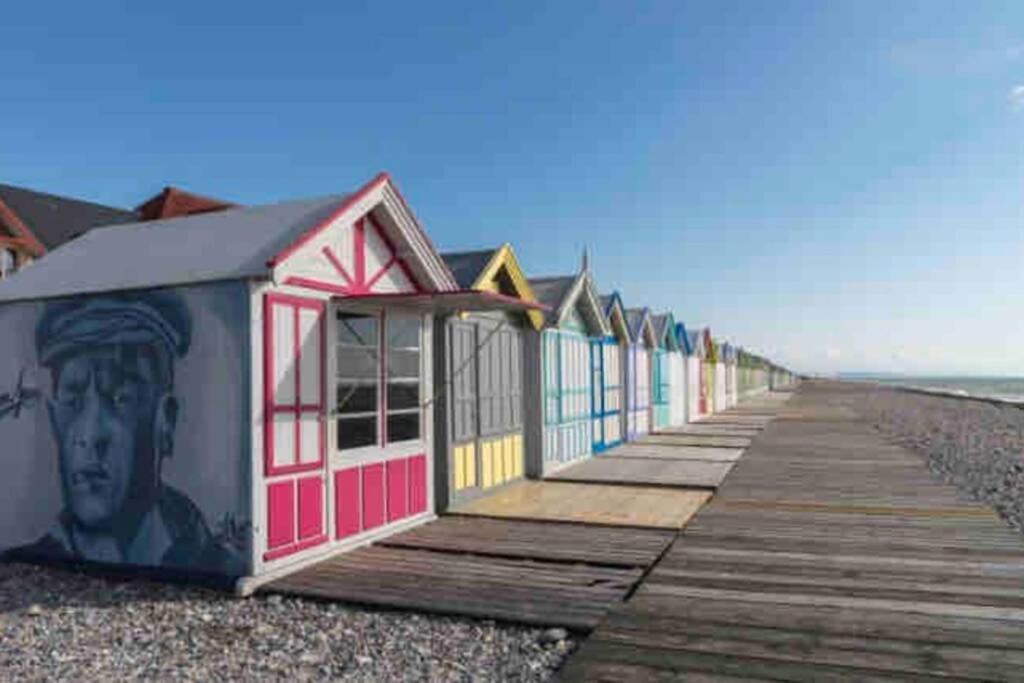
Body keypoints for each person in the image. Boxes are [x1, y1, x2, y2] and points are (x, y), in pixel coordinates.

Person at [10, 291, 242, 574]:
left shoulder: (213, 562)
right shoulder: (30, 558)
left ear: (165, 421)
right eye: (73, 400)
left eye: (120, 397)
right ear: (54, 422)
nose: (91, 435)